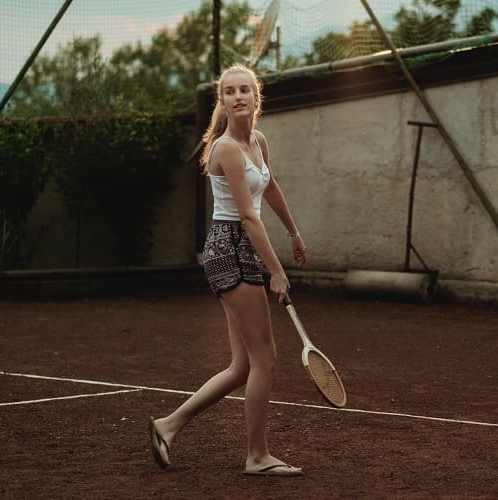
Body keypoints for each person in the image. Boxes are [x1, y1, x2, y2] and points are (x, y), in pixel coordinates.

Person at [149, 64, 307, 477]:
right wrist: (277, 271)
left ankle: (168, 425)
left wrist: (293, 232)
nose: (238, 97)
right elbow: (248, 220)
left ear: (257, 98)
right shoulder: (226, 148)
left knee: (243, 367)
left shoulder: (257, 141)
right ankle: (257, 457)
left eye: (245, 90)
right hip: (230, 248)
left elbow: (269, 187)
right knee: (266, 360)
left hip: (241, 248)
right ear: (223, 101)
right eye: (229, 92)